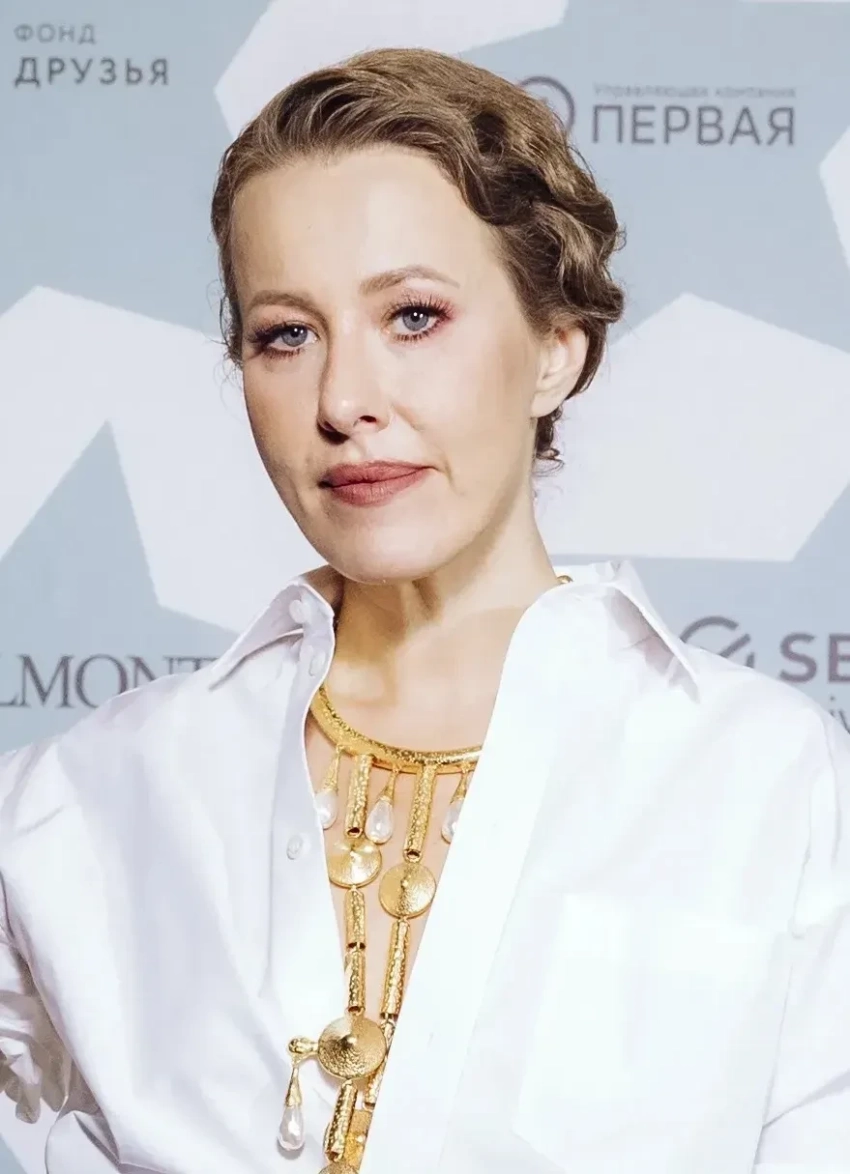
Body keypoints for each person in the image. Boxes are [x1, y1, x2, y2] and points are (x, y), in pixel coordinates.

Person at [0, 45, 848, 1174]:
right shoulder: (79, 799)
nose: (345, 400)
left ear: (555, 352)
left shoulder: (769, 782)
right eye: (285, 334)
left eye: (412, 316)